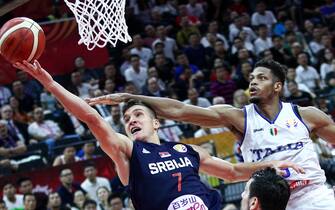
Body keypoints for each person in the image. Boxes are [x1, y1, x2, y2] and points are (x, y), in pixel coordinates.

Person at [14, 60, 303, 210]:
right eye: (126, 119)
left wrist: (271, 165)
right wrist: (48, 81)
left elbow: (232, 171)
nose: (130, 121)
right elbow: (91, 118)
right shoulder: (128, 152)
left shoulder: (186, 151)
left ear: (156, 123)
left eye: (138, 115)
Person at [86, 59, 335, 210]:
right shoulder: (237, 117)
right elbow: (180, 110)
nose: (253, 82)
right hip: (266, 200)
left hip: (310, 194)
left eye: (261, 78)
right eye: (251, 78)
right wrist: (133, 98)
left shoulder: (307, 115)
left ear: (278, 86)